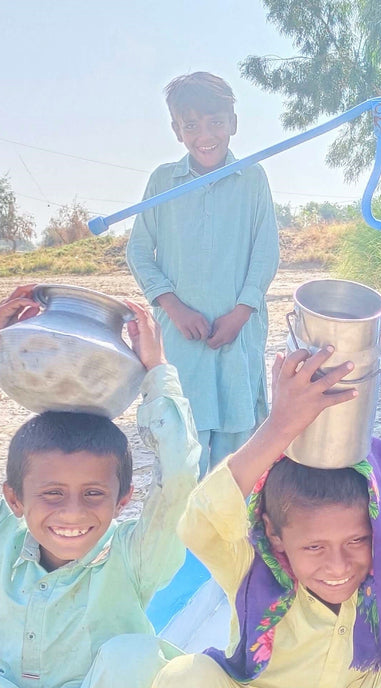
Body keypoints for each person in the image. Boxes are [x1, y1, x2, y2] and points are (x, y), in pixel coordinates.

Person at [151, 345, 381, 688]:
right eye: (314, 547)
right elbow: (199, 522)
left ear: (377, 532)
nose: (339, 566)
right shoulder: (251, 569)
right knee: (182, 683)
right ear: (275, 535)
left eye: (357, 540)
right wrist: (279, 427)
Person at [0, 285, 201, 688]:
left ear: (122, 499)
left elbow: (179, 481)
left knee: (136, 657)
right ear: (15, 499)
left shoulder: (135, 557)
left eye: (93, 494)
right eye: (51, 494)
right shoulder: (4, 535)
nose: (72, 513)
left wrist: (158, 372)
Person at [127, 71, 280, 475]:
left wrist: (242, 312)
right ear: (177, 130)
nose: (204, 134)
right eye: (191, 125)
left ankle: (231, 538)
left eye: (215, 122)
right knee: (181, 452)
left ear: (233, 123)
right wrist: (174, 307)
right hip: (181, 342)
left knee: (236, 461)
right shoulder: (163, 181)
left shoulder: (252, 177)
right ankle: (181, 540)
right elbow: (139, 252)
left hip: (237, 337)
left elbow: (265, 253)